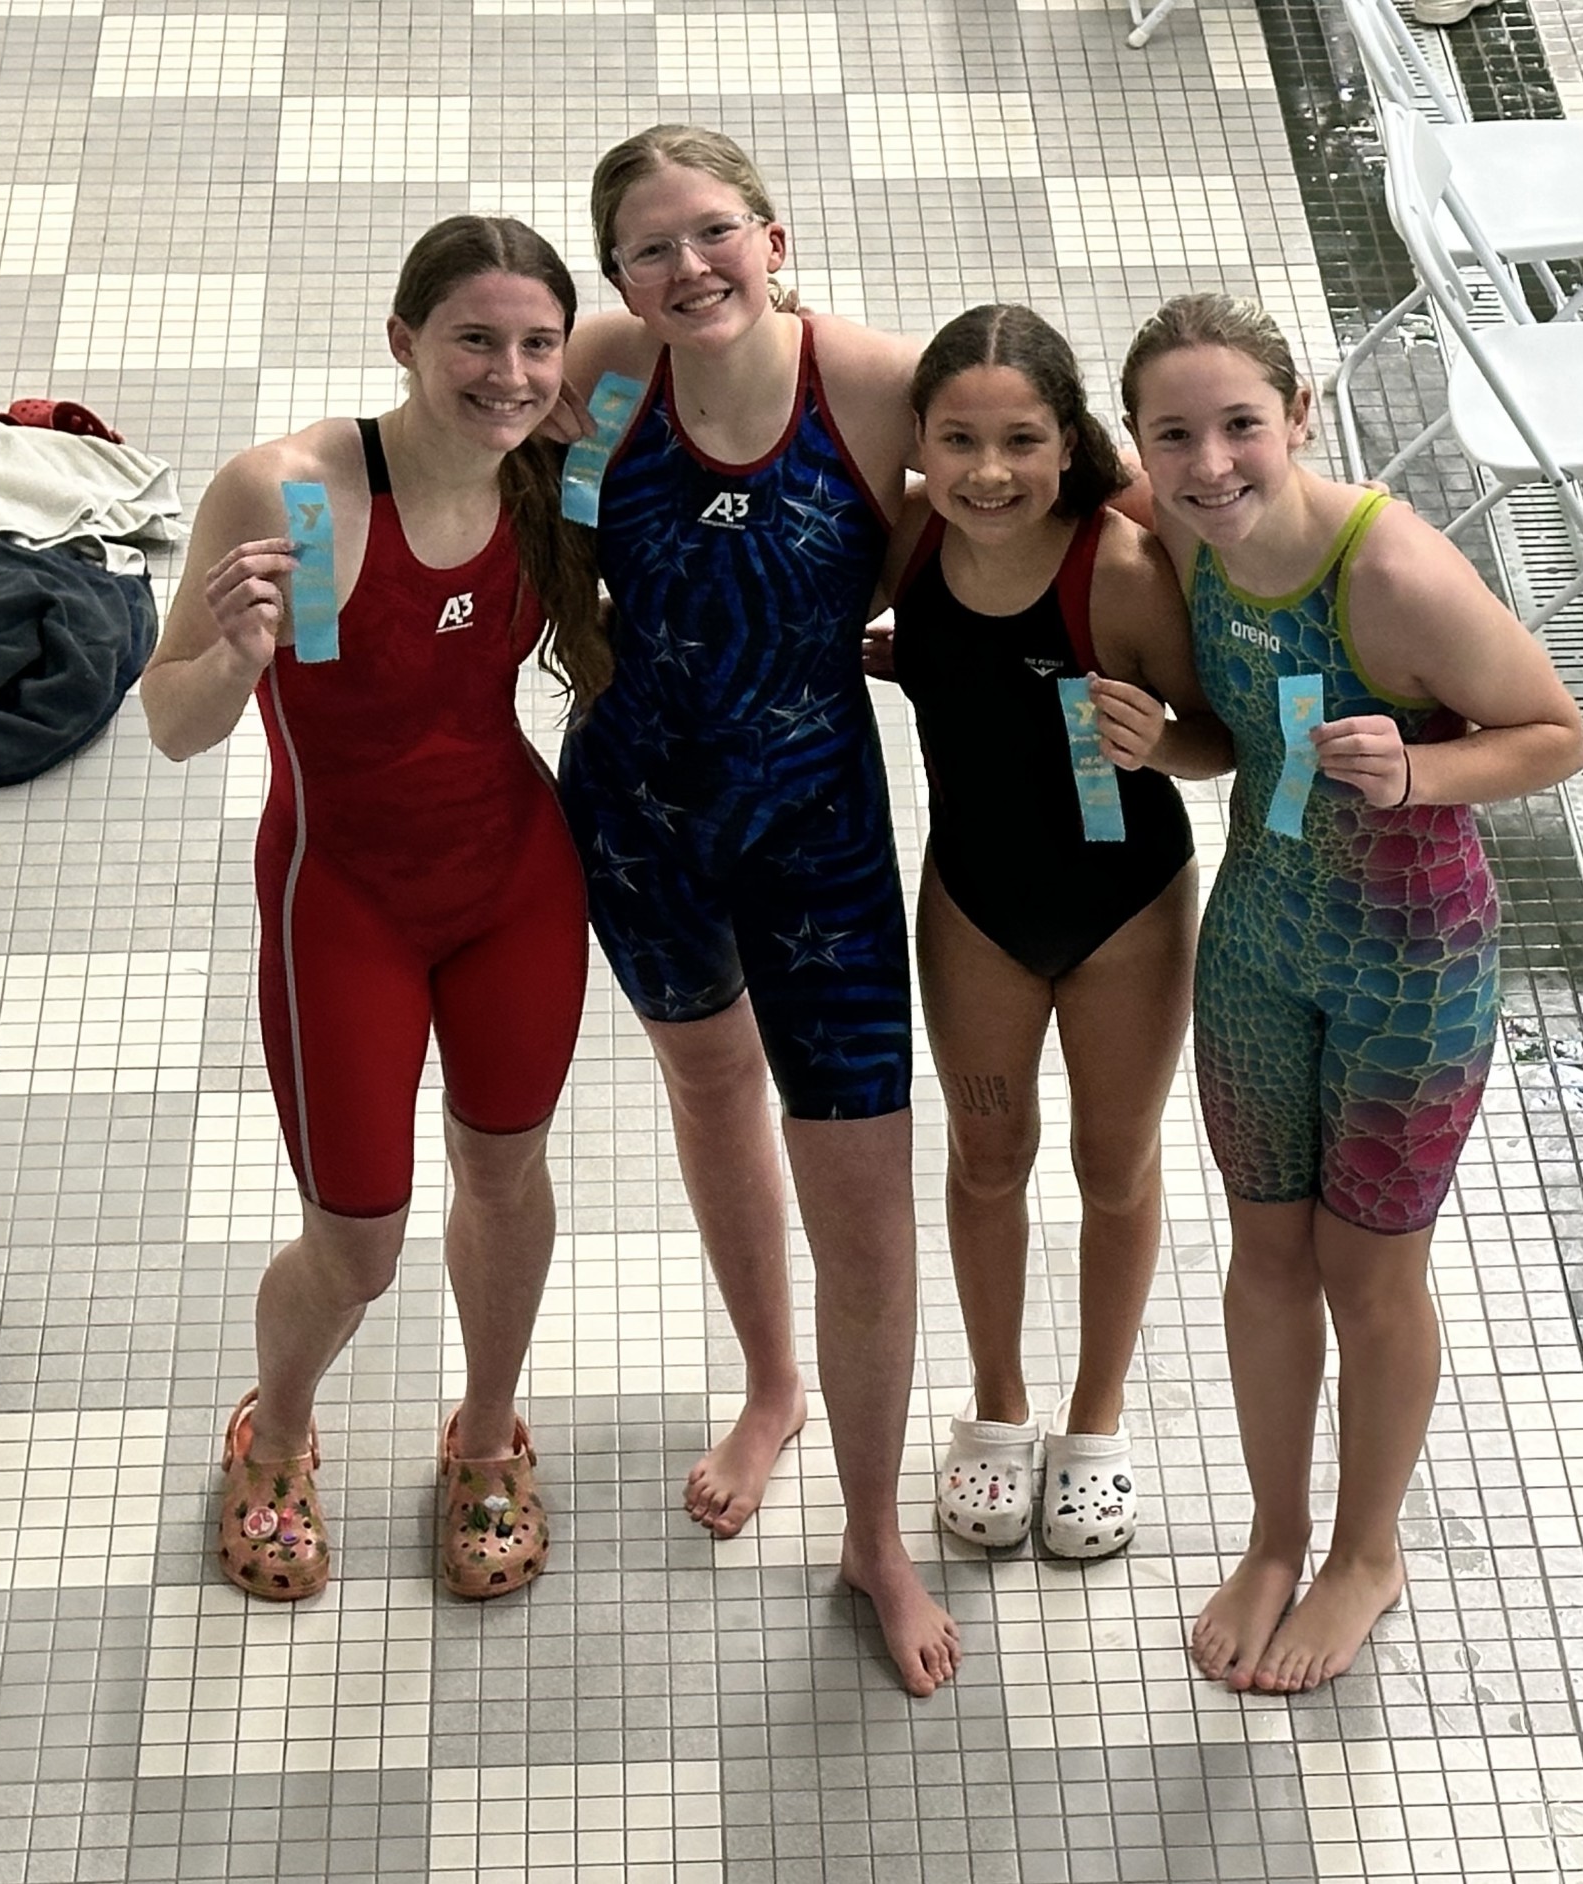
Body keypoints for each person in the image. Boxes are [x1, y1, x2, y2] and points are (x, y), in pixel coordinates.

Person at [1120, 293, 1583, 1690]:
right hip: (1258, 946)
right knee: (1266, 1258)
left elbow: (1556, 732)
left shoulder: (1393, 574)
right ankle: (1276, 1537)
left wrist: (1423, 772)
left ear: (1301, 414)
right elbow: (1237, 741)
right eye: (1175, 436)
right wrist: (1162, 743)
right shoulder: (1176, 541)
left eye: (1242, 426)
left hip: (1412, 968)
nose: (1211, 465)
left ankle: (1365, 1555)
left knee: (1366, 1273)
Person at [140, 216, 604, 1602]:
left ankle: (488, 1434)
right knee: (359, 1240)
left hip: (514, 878)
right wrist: (233, 655)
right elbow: (172, 723)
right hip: (341, 896)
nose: (509, 373)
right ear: (402, 341)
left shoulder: (554, 478)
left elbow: (683, 362)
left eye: (537, 343)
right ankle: (273, 1433)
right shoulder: (288, 490)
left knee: (509, 1171)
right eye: (473, 338)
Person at [555, 124, 958, 1695]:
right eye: (649, 249)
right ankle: (773, 1381)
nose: (687, 268)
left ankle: (873, 1531)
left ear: (777, 238)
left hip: (818, 842)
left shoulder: (874, 383)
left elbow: (1067, 461)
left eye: (714, 232)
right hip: (638, 818)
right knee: (708, 1086)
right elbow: (475, 461)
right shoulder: (601, 370)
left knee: (865, 1193)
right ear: (615, 276)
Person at [868, 305, 1230, 1557]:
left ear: (1068, 445)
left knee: (1113, 1167)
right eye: (957, 439)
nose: (988, 472)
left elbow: (1219, 734)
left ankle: (1096, 1419)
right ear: (916, 441)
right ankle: (1000, 1407)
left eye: (1021, 439)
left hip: (1125, 906)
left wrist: (1163, 742)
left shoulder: (1114, 569)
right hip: (975, 901)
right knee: (985, 1159)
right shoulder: (912, 542)